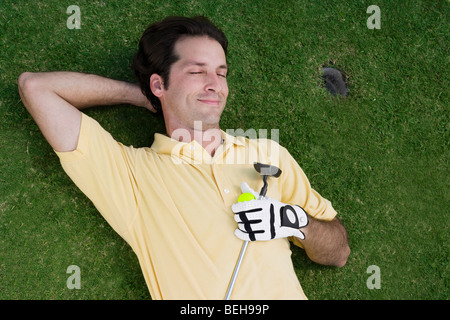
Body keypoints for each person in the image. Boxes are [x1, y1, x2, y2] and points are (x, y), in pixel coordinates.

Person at [18, 16, 349, 300]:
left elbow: (339, 254)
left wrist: (296, 222)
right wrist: (144, 96)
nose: (214, 85)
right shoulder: (132, 174)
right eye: (197, 72)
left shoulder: (268, 154)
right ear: (160, 83)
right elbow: (36, 87)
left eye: (221, 73)